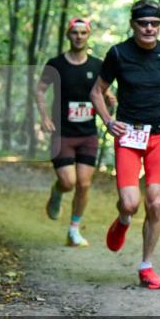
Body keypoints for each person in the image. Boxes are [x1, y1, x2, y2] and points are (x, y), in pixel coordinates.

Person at [89, 0, 160, 290]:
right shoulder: (118, 54)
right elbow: (97, 92)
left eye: (154, 24)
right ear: (133, 25)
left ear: (159, 25)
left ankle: (146, 267)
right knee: (131, 203)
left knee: (155, 202)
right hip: (129, 136)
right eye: (143, 23)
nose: (149, 28)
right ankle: (123, 218)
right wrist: (108, 121)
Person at [36, 17, 111, 247]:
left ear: (88, 36)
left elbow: (104, 92)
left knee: (84, 184)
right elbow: (39, 91)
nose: (79, 37)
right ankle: (58, 192)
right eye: (74, 33)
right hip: (63, 133)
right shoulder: (56, 64)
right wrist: (45, 117)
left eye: (83, 33)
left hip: (88, 133)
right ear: (68, 35)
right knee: (68, 182)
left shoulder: (98, 65)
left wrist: (109, 99)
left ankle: (73, 229)